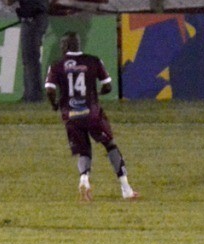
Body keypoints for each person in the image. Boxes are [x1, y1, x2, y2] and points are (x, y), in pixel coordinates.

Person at [44, 32, 139, 202]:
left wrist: (54, 105)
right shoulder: (93, 61)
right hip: (92, 113)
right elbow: (108, 86)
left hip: (71, 115)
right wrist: (98, 93)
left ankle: (84, 179)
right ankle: (126, 188)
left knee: (84, 150)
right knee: (109, 145)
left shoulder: (57, 65)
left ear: (65, 46)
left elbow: (50, 89)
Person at [5, 0, 58, 104]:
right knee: (34, 57)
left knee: (30, 59)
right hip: (43, 18)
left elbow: (9, 0)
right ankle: (33, 94)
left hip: (30, 20)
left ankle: (33, 96)